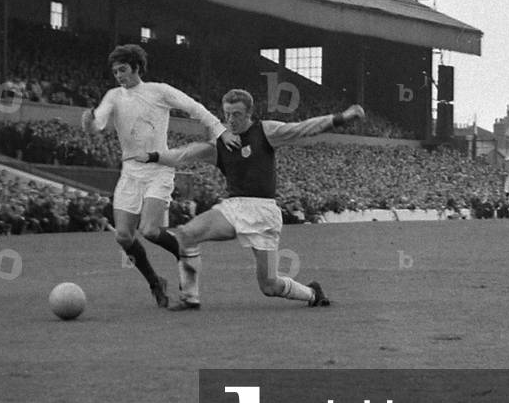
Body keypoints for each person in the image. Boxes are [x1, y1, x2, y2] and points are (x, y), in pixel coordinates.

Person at [125, 88, 365, 310]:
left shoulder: (266, 131)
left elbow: (303, 127)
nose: (230, 120)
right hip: (234, 207)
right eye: (227, 114)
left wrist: (342, 117)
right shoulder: (220, 144)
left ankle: (312, 294)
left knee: (269, 286)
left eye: (237, 114)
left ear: (249, 113)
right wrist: (152, 156)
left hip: (264, 211)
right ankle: (190, 297)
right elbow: (184, 154)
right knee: (187, 234)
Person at [81, 44, 240, 307]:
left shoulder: (159, 91)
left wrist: (220, 132)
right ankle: (156, 282)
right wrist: (89, 122)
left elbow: (194, 107)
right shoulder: (113, 96)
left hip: (159, 168)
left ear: (137, 68)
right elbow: (98, 123)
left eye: (123, 70)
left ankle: (185, 253)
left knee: (151, 231)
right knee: (123, 236)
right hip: (130, 171)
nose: (119, 76)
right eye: (115, 72)